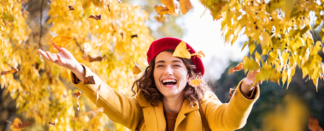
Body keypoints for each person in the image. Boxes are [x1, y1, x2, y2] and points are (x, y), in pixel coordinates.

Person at [38, 37, 260, 131]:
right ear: (153, 73)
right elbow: (110, 99)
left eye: (176, 65)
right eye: (160, 65)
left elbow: (230, 120)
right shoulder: (140, 108)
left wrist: (247, 87)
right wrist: (78, 68)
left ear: (190, 76)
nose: (167, 71)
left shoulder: (204, 105)